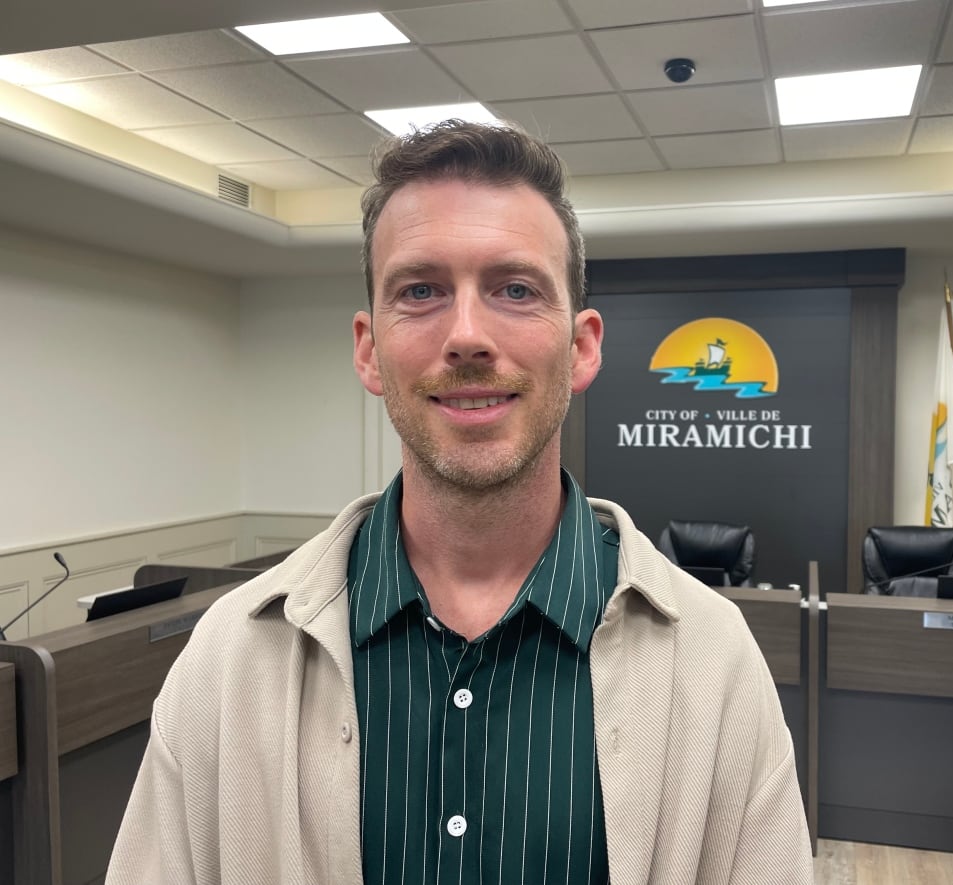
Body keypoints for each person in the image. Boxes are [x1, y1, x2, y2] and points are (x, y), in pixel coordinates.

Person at [107, 121, 813, 885]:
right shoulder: (229, 661)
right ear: (369, 349)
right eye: (421, 291)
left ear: (580, 348)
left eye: (515, 289)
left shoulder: (714, 664)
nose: (468, 335)